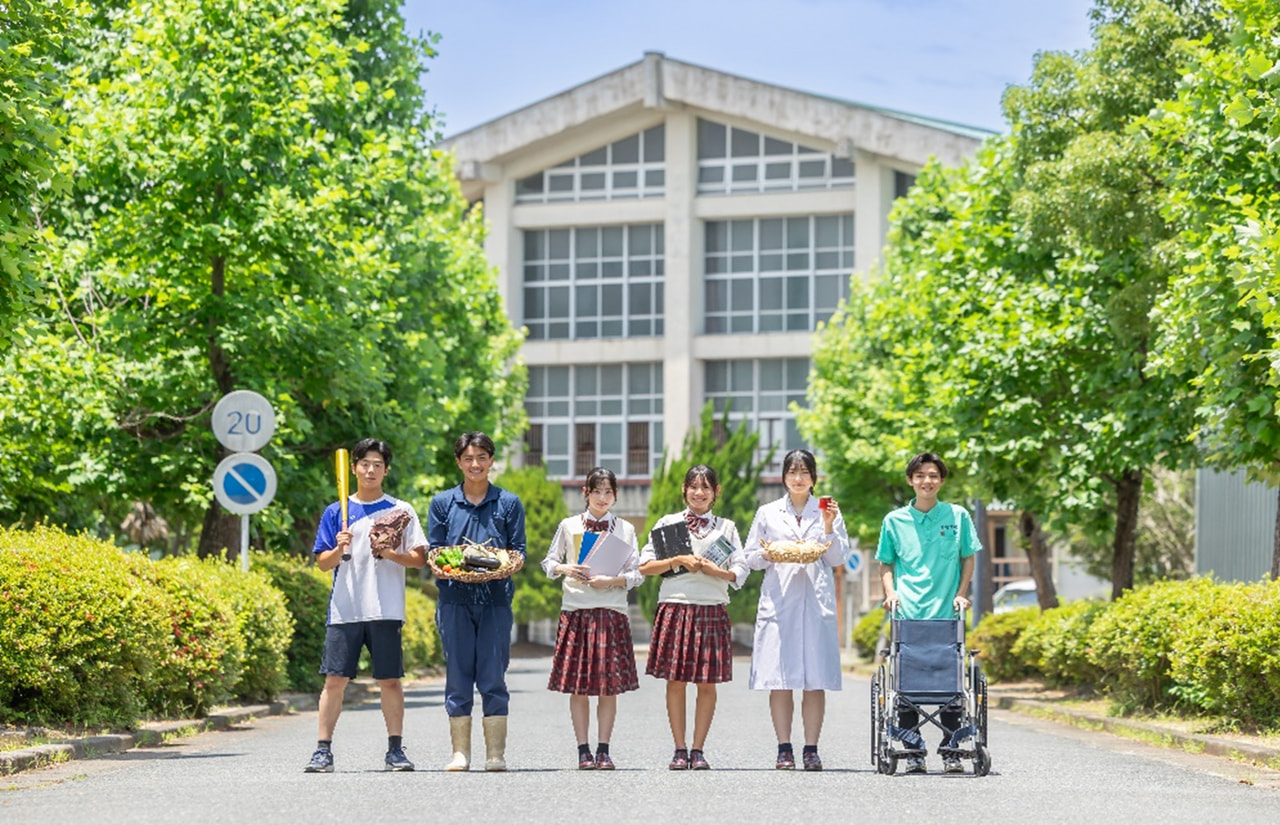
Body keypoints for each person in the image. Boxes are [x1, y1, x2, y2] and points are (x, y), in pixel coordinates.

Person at [305, 438, 428, 774]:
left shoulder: (401, 511)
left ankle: (395, 750)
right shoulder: (337, 511)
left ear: (386, 470)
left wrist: (390, 554)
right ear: (354, 467)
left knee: (389, 680)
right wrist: (338, 547)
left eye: (377, 464)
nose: (370, 469)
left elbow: (419, 559)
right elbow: (322, 563)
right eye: (364, 463)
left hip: (385, 608)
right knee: (334, 680)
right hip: (345, 609)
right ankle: (322, 750)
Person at [743, 448, 851, 771]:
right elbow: (751, 556)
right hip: (780, 602)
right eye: (792, 471)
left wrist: (829, 527)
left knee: (814, 678)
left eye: (805, 472)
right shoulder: (768, 512)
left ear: (814, 477)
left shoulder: (827, 510)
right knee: (780, 677)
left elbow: (837, 559)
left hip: (816, 603)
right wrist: (771, 555)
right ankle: (784, 748)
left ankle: (812, 749)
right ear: (784, 477)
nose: (798, 478)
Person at [876, 451, 981, 774]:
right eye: (920, 475)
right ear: (911, 480)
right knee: (906, 684)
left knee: (950, 683)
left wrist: (962, 594)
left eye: (933, 475)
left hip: (946, 612)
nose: (927, 481)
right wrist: (891, 593)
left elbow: (968, 557)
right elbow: (885, 563)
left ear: (942, 480)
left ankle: (951, 749)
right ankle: (913, 749)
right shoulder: (894, 521)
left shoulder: (957, 515)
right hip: (908, 612)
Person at [638, 464, 749, 771]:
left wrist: (719, 572)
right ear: (683, 490)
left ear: (716, 492)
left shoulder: (726, 528)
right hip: (675, 606)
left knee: (707, 683)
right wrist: (676, 560)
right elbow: (644, 566)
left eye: (706, 487)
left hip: (712, 607)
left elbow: (741, 569)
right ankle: (679, 748)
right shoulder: (668, 523)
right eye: (693, 487)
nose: (699, 493)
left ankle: (698, 749)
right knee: (675, 681)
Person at [428, 431, 527, 772]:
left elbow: (519, 553)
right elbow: (436, 552)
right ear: (458, 462)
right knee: (457, 674)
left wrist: (506, 565)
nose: (475, 464)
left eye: (481, 458)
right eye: (468, 458)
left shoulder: (509, 503)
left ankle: (495, 754)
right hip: (454, 599)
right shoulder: (442, 503)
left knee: (493, 674)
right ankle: (460, 753)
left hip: (496, 601)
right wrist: (440, 565)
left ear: (491, 461)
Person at [541, 466, 642, 770]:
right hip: (576, 611)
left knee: (608, 686)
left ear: (615, 495)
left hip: (611, 612)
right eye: (596, 491)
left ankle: (604, 749)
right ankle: (583, 749)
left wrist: (611, 581)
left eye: (608, 491)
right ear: (585, 493)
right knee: (579, 685)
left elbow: (637, 574)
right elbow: (548, 562)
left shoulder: (625, 529)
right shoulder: (569, 525)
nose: (602, 497)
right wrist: (565, 569)